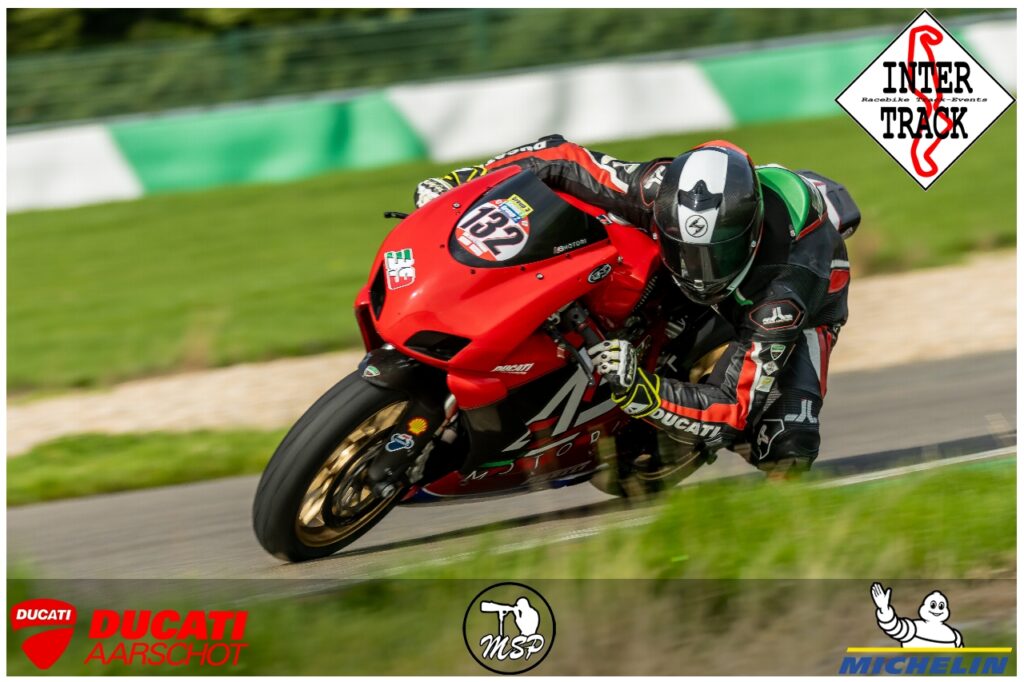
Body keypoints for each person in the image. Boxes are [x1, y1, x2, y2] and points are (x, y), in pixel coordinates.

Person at [414, 135, 856, 478]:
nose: (698, 271)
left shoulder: (783, 295)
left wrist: (643, 392)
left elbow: (730, 408)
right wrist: (466, 181)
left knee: (784, 450)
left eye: (714, 255)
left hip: (802, 305)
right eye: (686, 250)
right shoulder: (658, 187)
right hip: (700, 252)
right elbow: (561, 158)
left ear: (750, 236)